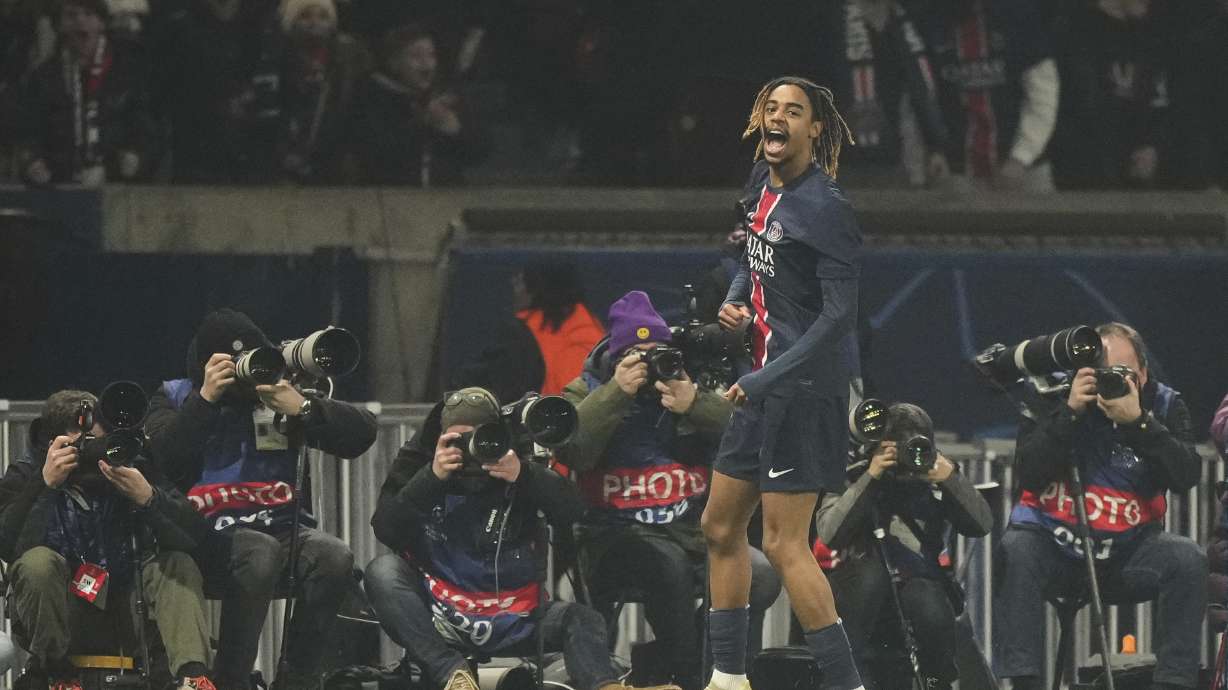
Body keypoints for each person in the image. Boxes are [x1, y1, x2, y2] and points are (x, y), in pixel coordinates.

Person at [701, 76, 864, 690]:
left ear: (815, 129)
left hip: (800, 393)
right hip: (760, 385)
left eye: (793, 112)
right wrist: (736, 301)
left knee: (784, 541)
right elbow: (748, 256)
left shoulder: (828, 208)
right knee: (719, 527)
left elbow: (839, 317)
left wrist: (770, 375)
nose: (778, 118)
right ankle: (727, 678)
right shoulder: (758, 185)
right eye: (770, 107)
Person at [364, 387, 682, 690]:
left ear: (497, 434)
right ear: (441, 437)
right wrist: (430, 478)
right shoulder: (422, 460)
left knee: (583, 619)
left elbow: (572, 511)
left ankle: (604, 685)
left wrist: (525, 474)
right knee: (382, 572)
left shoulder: (514, 460)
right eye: (458, 440)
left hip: (516, 615)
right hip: (443, 611)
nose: (471, 449)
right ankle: (452, 674)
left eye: (480, 438)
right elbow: (386, 529)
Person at [144, 308, 378, 690]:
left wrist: (303, 407)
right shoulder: (175, 395)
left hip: (281, 530)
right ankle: (230, 680)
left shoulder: (275, 395)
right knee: (259, 552)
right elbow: (161, 460)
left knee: (334, 556)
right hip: (201, 536)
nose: (245, 372)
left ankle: (298, 679)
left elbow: (361, 434)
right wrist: (205, 400)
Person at [559, 291, 781, 690]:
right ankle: (687, 679)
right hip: (612, 535)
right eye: (638, 355)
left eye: (657, 352)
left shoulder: (683, 381)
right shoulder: (585, 389)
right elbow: (574, 451)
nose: (650, 364)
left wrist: (696, 403)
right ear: (617, 355)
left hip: (687, 531)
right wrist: (615, 393)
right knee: (669, 564)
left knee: (760, 573)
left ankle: (694, 668)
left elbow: (752, 437)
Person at [993, 322, 1206, 690]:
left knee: (1187, 559)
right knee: (1015, 549)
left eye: (1122, 373)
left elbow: (1186, 474)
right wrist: (1070, 412)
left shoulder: (1165, 403)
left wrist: (1139, 423)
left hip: (1128, 554)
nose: (1112, 381)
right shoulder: (1053, 394)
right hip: (1055, 549)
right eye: (1102, 373)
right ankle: (1023, 683)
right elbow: (1028, 474)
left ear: (1143, 372)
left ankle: (1173, 684)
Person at [0, 390, 214, 690]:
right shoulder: (28, 472)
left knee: (176, 562)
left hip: (129, 603)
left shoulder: (132, 465)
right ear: (53, 443)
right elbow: (7, 545)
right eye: (83, 444)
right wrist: (44, 484)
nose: (93, 452)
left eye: (99, 440)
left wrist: (149, 498)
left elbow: (195, 537)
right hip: (61, 611)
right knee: (37, 563)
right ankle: (55, 675)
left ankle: (192, 676)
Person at [816, 403, 992, 689]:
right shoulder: (856, 470)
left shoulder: (935, 474)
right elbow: (830, 533)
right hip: (859, 586)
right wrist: (870, 476)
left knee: (929, 604)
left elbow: (982, 524)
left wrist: (951, 480)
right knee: (870, 580)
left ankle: (936, 683)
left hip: (920, 585)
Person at [922, 0, 1058, 192]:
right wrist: (936, 149)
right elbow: (926, 94)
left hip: (1025, 171)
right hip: (959, 173)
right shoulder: (934, 19)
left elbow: (1043, 97)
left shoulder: (1023, 16)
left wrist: (1021, 157)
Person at [19, 0, 157, 186]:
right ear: (60, 26)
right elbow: (27, 132)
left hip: (118, 188)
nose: (80, 21)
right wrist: (32, 162)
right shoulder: (44, 77)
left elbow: (147, 131)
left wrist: (134, 159)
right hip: (58, 187)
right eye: (71, 15)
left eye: (88, 14)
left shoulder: (128, 72)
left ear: (101, 23)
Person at [818, 0, 951, 188]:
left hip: (897, 162)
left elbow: (920, 88)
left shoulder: (907, 20)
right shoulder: (831, 19)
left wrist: (935, 147)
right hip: (841, 166)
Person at [1050, 0, 1170, 189]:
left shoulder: (1152, 35)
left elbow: (1160, 101)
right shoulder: (1073, 30)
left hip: (1137, 176)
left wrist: (1152, 146)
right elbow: (1075, 106)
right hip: (1083, 171)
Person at [352, 24, 484, 186]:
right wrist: (420, 122)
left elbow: (480, 152)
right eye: (416, 56)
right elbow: (373, 154)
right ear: (394, 63)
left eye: (431, 55)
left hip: (445, 199)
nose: (427, 65)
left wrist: (454, 129)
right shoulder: (372, 99)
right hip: (389, 200)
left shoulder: (449, 99)